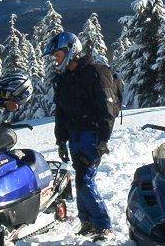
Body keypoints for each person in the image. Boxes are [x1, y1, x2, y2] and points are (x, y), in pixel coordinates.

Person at [43, 32, 116, 242]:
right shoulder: (64, 77)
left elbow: (107, 109)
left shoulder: (95, 72)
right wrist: (60, 140)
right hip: (74, 135)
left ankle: (104, 226)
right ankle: (87, 222)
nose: (55, 59)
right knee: (80, 177)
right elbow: (61, 112)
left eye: (57, 54)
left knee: (85, 178)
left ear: (70, 51)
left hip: (91, 135)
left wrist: (103, 139)